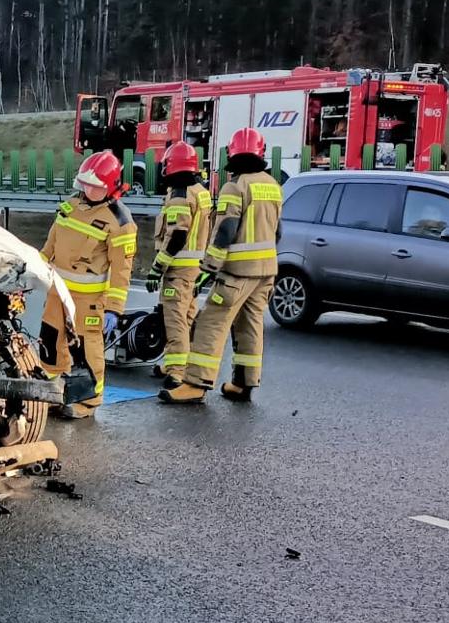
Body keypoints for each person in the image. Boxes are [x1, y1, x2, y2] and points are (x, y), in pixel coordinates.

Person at [160, 128, 284, 405]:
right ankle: (243, 383)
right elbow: (277, 232)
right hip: (266, 272)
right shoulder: (273, 186)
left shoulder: (234, 187)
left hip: (237, 272)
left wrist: (209, 267)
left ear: (232, 153)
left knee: (210, 323)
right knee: (250, 326)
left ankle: (195, 383)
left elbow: (226, 230)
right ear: (260, 153)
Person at [39, 150, 139, 420]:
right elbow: (49, 248)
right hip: (57, 293)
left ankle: (88, 399)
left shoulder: (120, 223)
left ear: (110, 187)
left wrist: (114, 309)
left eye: (95, 185)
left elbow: (121, 271)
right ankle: (51, 392)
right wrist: (30, 272)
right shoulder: (70, 207)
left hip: (89, 299)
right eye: (85, 183)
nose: (88, 189)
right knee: (50, 341)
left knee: (86, 349)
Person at [144, 142, 212, 388]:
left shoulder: (179, 196)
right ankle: (179, 363)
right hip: (195, 267)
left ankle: (176, 371)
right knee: (187, 316)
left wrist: (156, 268)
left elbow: (176, 237)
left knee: (174, 320)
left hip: (178, 268)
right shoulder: (200, 192)